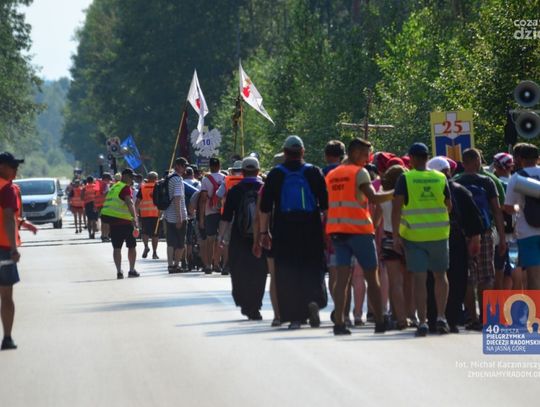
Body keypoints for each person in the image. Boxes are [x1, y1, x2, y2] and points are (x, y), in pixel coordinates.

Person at [326, 138, 394, 335]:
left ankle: (339, 323)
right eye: (365, 155)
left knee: (342, 279)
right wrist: (395, 192)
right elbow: (374, 198)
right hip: (359, 231)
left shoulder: (333, 174)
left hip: (338, 231)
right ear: (355, 153)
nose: (367, 159)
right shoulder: (359, 172)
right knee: (372, 277)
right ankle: (380, 321)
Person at [260, 135, 328, 330]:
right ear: (302, 152)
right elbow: (326, 206)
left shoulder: (276, 174)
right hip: (311, 229)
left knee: (288, 272)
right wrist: (326, 231)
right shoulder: (314, 172)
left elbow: (265, 208)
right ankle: (313, 300)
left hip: (284, 230)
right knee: (312, 268)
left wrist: (264, 232)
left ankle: (295, 317)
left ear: (285, 153)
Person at [392, 142, 452, 337]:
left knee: (420, 279)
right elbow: (449, 205)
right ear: (427, 158)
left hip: (414, 236)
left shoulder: (405, 178)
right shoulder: (440, 177)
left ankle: (423, 321)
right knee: (440, 276)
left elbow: (396, 208)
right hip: (439, 235)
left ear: (411, 158)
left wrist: (395, 235)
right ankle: (441, 317)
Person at [426, 156, 483, 333]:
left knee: (432, 279)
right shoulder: (460, 190)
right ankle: (451, 320)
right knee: (457, 279)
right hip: (456, 239)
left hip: (431, 238)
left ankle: (434, 318)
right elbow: (474, 221)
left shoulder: (426, 190)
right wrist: (475, 241)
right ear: (448, 171)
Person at [454, 148, 506, 330]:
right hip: (484, 232)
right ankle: (486, 317)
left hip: (462, 234)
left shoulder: (456, 181)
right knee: (487, 275)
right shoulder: (487, 181)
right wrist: (502, 237)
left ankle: (472, 317)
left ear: (463, 162)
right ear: (477, 161)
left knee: (467, 276)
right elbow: (497, 211)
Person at [218, 157, 267, 320]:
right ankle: (255, 305)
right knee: (259, 272)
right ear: (258, 171)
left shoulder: (235, 190)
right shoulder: (264, 189)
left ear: (243, 172)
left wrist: (221, 237)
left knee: (239, 271)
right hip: (260, 237)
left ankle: (244, 302)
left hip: (239, 238)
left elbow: (226, 217)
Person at [374, 164, 410, 331]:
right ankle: (412, 315)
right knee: (410, 280)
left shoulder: (382, 194)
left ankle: (400, 318)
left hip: (388, 237)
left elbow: (376, 220)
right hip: (408, 237)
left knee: (395, 282)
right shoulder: (407, 193)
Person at [0, 153, 30, 350]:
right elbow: (8, 217)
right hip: (3, 249)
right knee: (6, 296)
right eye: (13, 166)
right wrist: (13, 248)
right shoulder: (7, 189)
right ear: (2, 167)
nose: (16, 170)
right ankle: (7, 338)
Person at [504, 143, 540, 289]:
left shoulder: (516, 178)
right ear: (538, 158)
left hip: (527, 232)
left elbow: (508, 208)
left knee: (533, 276)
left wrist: (519, 207)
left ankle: (536, 304)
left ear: (520, 159)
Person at [100, 168, 140, 279]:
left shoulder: (114, 187)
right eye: (131, 177)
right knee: (131, 246)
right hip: (126, 222)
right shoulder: (125, 188)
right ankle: (131, 270)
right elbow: (129, 202)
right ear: (125, 176)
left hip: (114, 223)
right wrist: (135, 218)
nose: (132, 179)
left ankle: (119, 271)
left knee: (117, 247)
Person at [492, 153, 517, 289]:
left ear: (496, 166)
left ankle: (499, 300)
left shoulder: (494, 183)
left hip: (498, 232)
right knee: (513, 270)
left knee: (498, 268)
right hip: (517, 232)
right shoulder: (517, 182)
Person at [199, 157, 226, 274]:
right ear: (219, 166)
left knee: (210, 240)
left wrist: (201, 218)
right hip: (222, 212)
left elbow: (203, 199)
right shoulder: (225, 178)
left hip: (210, 213)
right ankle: (217, 264)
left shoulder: (205, 180)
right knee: (221, 240)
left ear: (209, 166)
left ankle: (208, 265)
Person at [164, 158, 188, 273]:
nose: (185, 168)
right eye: (183, 166)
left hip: (168, 215)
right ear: (177, 166)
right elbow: (177, 198)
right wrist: (180, 217)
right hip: (179, 215)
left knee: (170, 243)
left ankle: (170, 265)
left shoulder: (169, 178)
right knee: (181, 244)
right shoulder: (178, 179)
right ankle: (176, 265)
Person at [135, 171, 160, 260]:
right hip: (156, 214)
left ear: (148, 178)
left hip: (144, 214)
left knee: (144, 232)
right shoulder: (158, 187)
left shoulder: (143, 187)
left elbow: (137, 201)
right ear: (156, 178)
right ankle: (154, 253)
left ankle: (146, 246)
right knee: (155, 234)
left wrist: (136, 212)